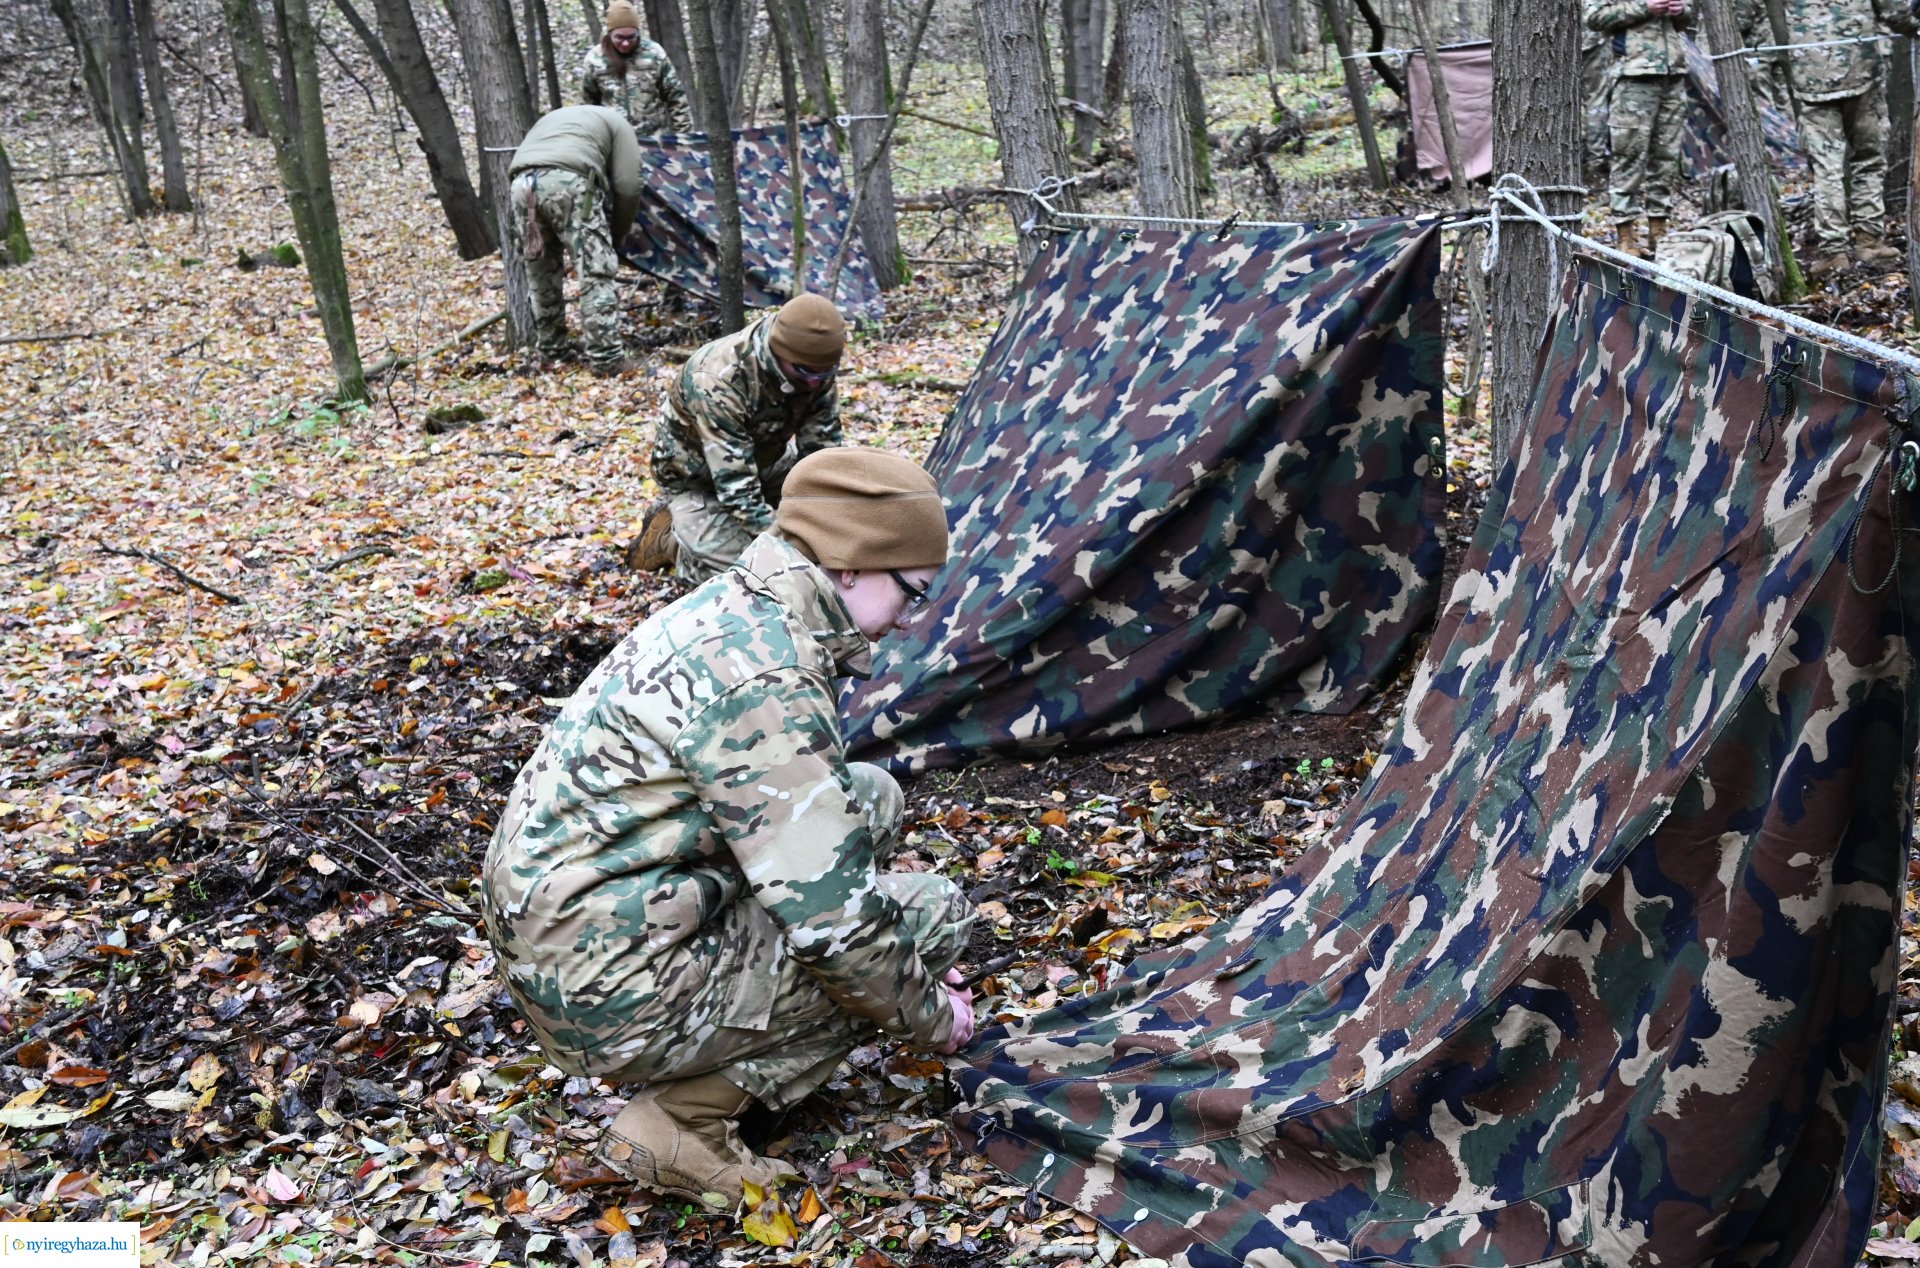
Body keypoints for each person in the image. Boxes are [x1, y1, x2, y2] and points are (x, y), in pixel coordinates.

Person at [481, 446, 974, 1203]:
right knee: (932, 917)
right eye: (912, 592)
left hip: (575, 933)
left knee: (869, 796)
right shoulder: (768, 674)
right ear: (850, 566)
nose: (910, 620)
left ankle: (746, 1014)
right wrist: (932, 1012)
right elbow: (836, 929)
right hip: (603, 988)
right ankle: (682, 1122)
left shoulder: (736, 606)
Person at [631, 294, 848, 580]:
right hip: (696, 480)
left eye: (824, 374)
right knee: (753, 573)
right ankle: (670, 541)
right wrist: (796, 552)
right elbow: (737, 488)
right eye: (805, 373)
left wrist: (830, 529)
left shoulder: (815, 367)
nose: (813, 383)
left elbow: (823, 457)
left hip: (765, 461)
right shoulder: (717, 380)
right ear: (779, 353)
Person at [1779, 0, 1918, 276]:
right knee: (1869, 158)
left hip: (1812, 73)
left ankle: (1834, 251)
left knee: (1827, 169)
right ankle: (1869, 241)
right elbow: (1894, 10)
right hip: (1860, 70)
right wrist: (1913, 26)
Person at [507, 105, 642, 376]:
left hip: (522, 187)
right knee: (595, 273)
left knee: (541, 274)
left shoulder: (556, 118)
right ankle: (606, 359)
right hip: (569, 183)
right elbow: (629, 185)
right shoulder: (619, 123)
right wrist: (617, 234)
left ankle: (552, 352)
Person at [1586, 0, 1691, 257]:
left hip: (1673, 74)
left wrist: (1681, 11)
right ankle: (1626, 235)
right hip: (1633, 77)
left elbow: (1684, 21)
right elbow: (1594, 17)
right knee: (1628, 155)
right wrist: (1645, 7)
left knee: (1667, 157)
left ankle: (1658, 232)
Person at [580, 0, 692, 137]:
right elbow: (587, 106)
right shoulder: (595, 59)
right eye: (619, 37)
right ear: (609, 34)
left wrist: (685, 136)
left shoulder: (654, 54)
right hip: (614, 140)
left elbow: (676, 97)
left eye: (631, 37)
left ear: (638, 33)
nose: (625, 43)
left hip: (654, 139)